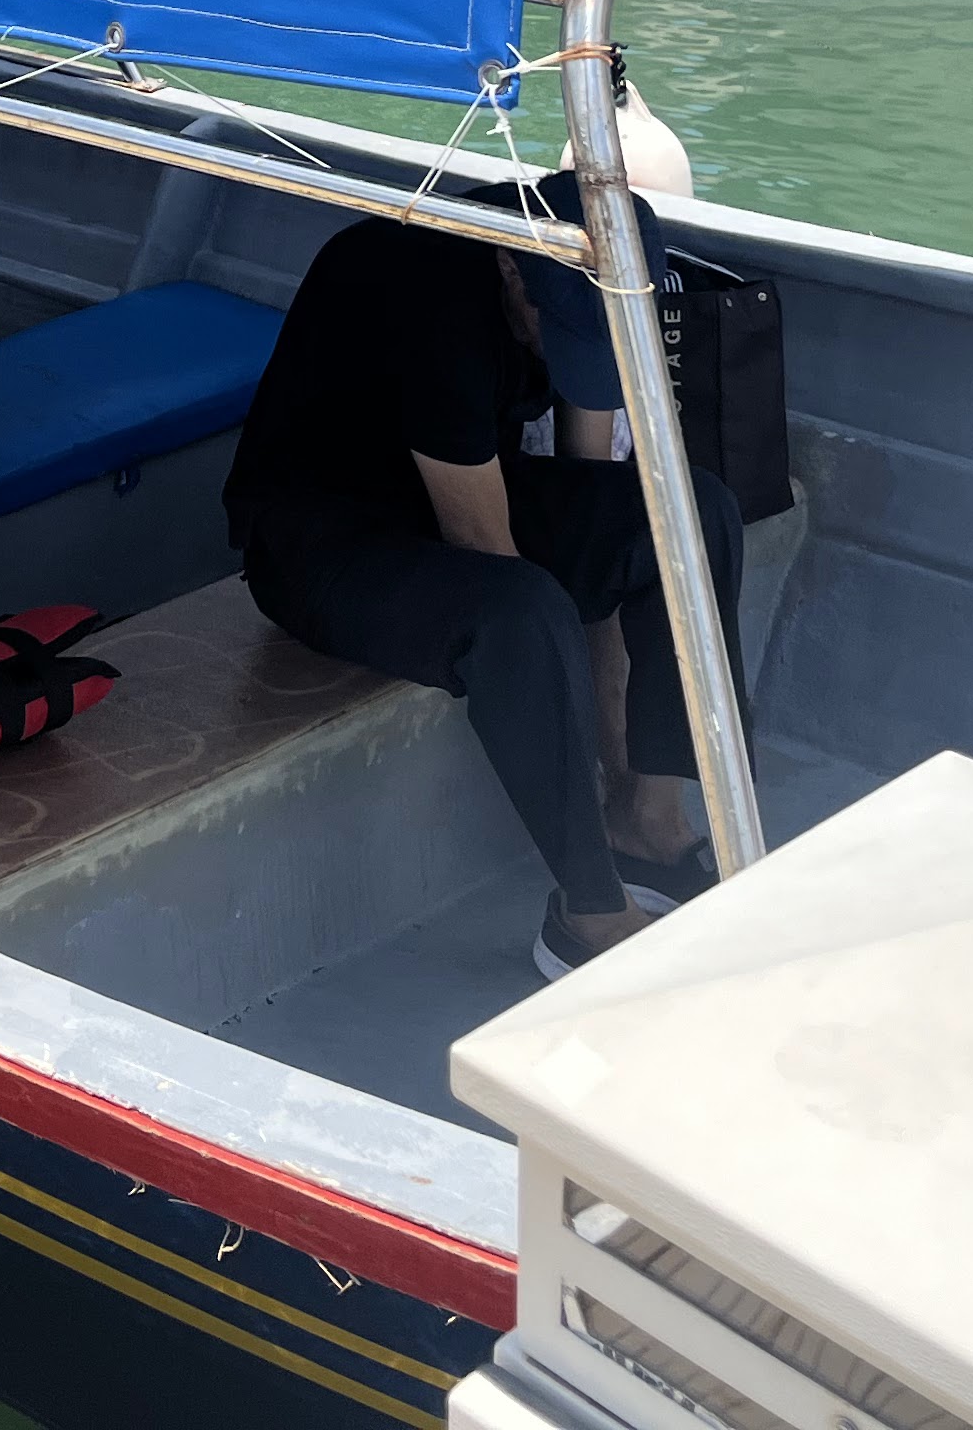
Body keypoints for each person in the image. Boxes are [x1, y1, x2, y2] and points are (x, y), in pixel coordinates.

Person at [224, 215, 745, 976]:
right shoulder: (429, 296)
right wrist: (576, 686)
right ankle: (588, 915)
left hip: (462, 486)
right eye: (558, 327)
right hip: (321, 542)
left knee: (690, 515)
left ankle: (647, 823)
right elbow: (491, 557)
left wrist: (620, 589)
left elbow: (593, 486)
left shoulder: (583, 268)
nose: (566, 349)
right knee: (521, 612)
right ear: (510, 269)